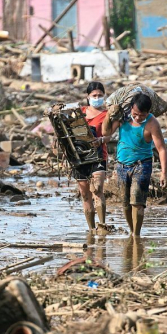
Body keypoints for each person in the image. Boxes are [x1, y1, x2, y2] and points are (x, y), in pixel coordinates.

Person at [102, 89, 167, 237]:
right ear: (131, 108)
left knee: (137, 201)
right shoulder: (123, 118)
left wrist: (164, 173)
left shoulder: (152, 123)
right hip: (121, 165)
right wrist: (108, 115)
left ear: (148, 112)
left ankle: (136, 235)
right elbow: (106, 134)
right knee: (125, 203)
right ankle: (132, 231)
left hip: (142, 165)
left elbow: (161, 149)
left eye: (142, 115)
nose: (138, 118)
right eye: (135, 114)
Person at [72, 82, 110, 231]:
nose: (97, 98)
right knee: (84, 193)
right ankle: (91, 229)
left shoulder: (107, 115)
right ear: (88, 97)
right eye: (94, 95)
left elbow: (109, 135)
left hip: (99, 155)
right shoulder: (79, 113)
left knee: (97, 188)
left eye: (100, 95)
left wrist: (100, 140)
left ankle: (102, 225)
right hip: (79, 156)